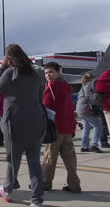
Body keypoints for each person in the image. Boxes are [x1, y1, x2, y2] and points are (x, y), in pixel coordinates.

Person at [0, 44, 45, 206]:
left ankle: (8, 188)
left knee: (13, 159)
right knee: (34, 162)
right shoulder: (36, 74)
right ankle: (37, 199)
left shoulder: (10, 73)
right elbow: (40, 97)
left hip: (15, 123)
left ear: (9, 58)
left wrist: (2, 67)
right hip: (36, 122)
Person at [42, 62, 81, 193]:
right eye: (46, 73)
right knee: (70, 158)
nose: (48, 75)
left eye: (51, 72)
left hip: (56, 128)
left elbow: (45, 107)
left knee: (50, 157)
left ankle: (45, 183)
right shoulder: (66, 87)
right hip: (68, 128)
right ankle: (74, 184)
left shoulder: (51, 86)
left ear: (58, 73)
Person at [76, 74, 103, 153]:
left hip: (81, 109)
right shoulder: (89, 86)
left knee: (86, 128)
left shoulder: (83, 87)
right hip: (87, 109)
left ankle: (84, 146)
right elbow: (92, 98)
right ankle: (94, 145)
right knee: (98, 126)